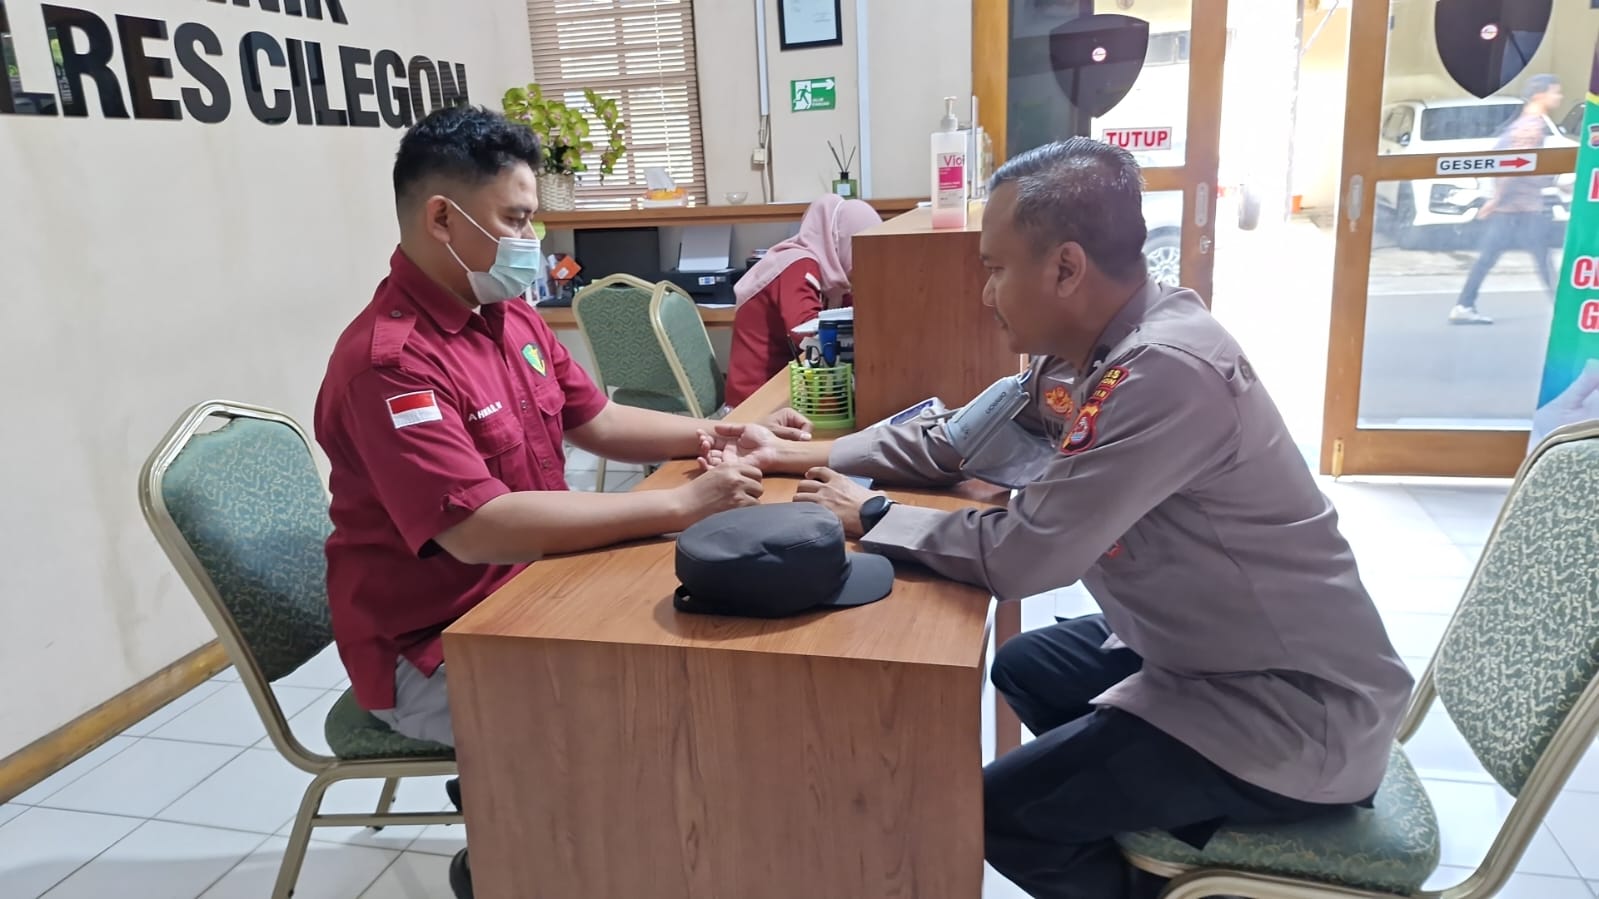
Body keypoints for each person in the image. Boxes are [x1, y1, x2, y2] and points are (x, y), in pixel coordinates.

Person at [704, 138, 1415, 899]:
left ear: (1065, 268)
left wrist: (874, 514)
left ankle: (1158, 863)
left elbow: (1023, 557)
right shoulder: (1082, 353)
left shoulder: (1162, 372)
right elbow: (953, 441)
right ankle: (1142, 829)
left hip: (1292, 709)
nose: (987, 294)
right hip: (1208, 651)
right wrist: (799, 453)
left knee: (994, 814)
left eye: (995, 268)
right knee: (1027, 667)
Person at [313, 104, 807, 898]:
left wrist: (716, 434)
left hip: (530, 586)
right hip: (433, 644)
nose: (531, 239)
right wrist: (681, 506)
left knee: (692, 648)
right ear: (442, 219)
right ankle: (514, 856)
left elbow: (597, 420)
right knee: (631, 714)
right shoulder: (390, 365)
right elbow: (478, 529)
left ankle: (542, 815)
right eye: (515, 219)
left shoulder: (505, 312)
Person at [722, 194, 883, 406]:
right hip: (755, 403)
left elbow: (853, 313)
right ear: (839, 240)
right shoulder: (797, 264)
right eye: (860, 250)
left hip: (790, 390)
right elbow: (808, 333)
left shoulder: (831, 275)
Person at [1450, 73, 1563, 325]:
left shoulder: (1524, 122)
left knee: (1492, 258)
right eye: (1555, 92)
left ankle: (1464, 305)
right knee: (1542, 261)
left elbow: (1525, 167)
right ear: (1539, 95)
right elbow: (1514, 166)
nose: (1559, 97)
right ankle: (1564, 312)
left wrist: (1551, 182)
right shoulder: (1531, 127)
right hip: (1520, 207)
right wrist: (1496, 200)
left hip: (1516, 206)